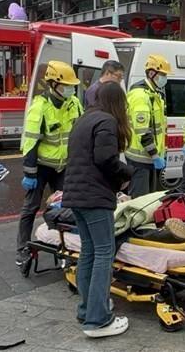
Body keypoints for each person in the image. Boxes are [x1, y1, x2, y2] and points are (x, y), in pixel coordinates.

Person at [62, 82, 133, 338]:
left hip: (75, 195)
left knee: (88, 252)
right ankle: (98, 320)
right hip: (95, 196)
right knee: (104, 252)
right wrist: (126, 174)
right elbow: (105, 159)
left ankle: (87, 309)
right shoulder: (107, 122)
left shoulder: (84, 119)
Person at [16, 61, 83, 267]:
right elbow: (30, 142)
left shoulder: (74, 104)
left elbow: (80, 133)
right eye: (67, 86)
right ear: (53, 84)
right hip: (42, 166)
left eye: (72, 86)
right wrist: (30, 173)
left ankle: (66, 246)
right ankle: (22, 248)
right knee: (31, 207)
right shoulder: (40, 107)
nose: (71, 89)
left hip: (64, 166)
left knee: (67, 207)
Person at [125, 54, 170, 197]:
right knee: (139, 202)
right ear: (151, 73)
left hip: (148, 158)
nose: (165, 78)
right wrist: (155, 155)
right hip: (140, 159)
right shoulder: (140, 95)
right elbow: (143, 130)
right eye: (163, 74)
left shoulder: (153, 93)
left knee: (150, 200)